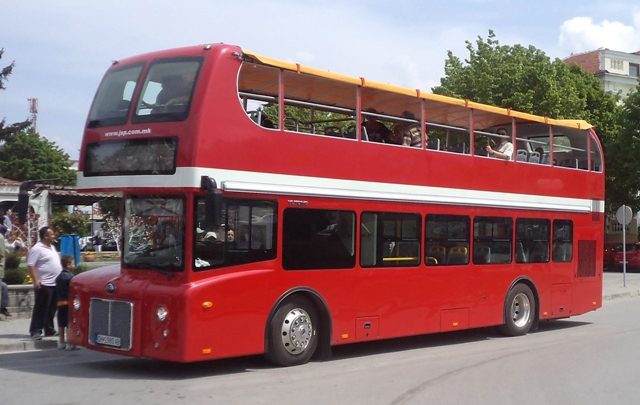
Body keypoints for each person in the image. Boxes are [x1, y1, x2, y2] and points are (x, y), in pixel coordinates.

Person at [27, 226, 62, 340]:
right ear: (45, 236)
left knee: (52, 308)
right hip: (44, 283)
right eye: (52, 234)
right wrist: (36, 279)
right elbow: (31, 265)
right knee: (41, 307)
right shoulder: (37, 249)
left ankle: (49, 329)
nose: (54, 236)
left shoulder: (51, 247)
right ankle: (35, 330)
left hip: (55, 283)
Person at [56, 255, 77, 350]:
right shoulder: (70, 277)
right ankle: (70, 342)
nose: (74, 265)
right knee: (69, 323)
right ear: (68, 265)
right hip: (69, 303)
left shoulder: (59, 277)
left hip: (60, 303)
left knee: (61, 324)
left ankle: (61, 342)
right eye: (73, 263)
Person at [0, 225, 10, 317]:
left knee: (3, 286)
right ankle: (3, 308)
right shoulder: (0, 238)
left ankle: (3, 308)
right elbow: (1, 254)